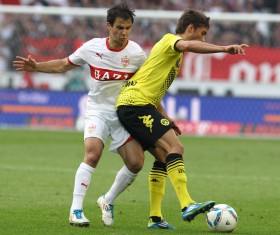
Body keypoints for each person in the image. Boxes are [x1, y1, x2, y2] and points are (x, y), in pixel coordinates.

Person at [13, 2, 176, 230]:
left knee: (136, 163)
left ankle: (107, 200)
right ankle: (76, 210)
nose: (124, 32)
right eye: (120, 27)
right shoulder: (92, 48)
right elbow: (62, 65)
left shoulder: (137, 54)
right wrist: (36, 66)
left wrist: (164, 116)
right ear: (108, 26)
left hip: (123, 113)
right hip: (97, 110)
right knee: (92, 154)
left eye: (128, 28)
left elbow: (145, 90)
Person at [115, 9, 249, 227]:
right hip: (134, 105)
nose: (203, 39)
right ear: (190, 29)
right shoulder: (171, 41)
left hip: (139, 105)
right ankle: (187, 204)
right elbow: (188, 45)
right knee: (176, 148)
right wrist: (224, 48)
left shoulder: (173, 56)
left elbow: (151, 88)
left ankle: (155, 218)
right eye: (202, 34)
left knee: (162, 157)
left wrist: (166, 117)